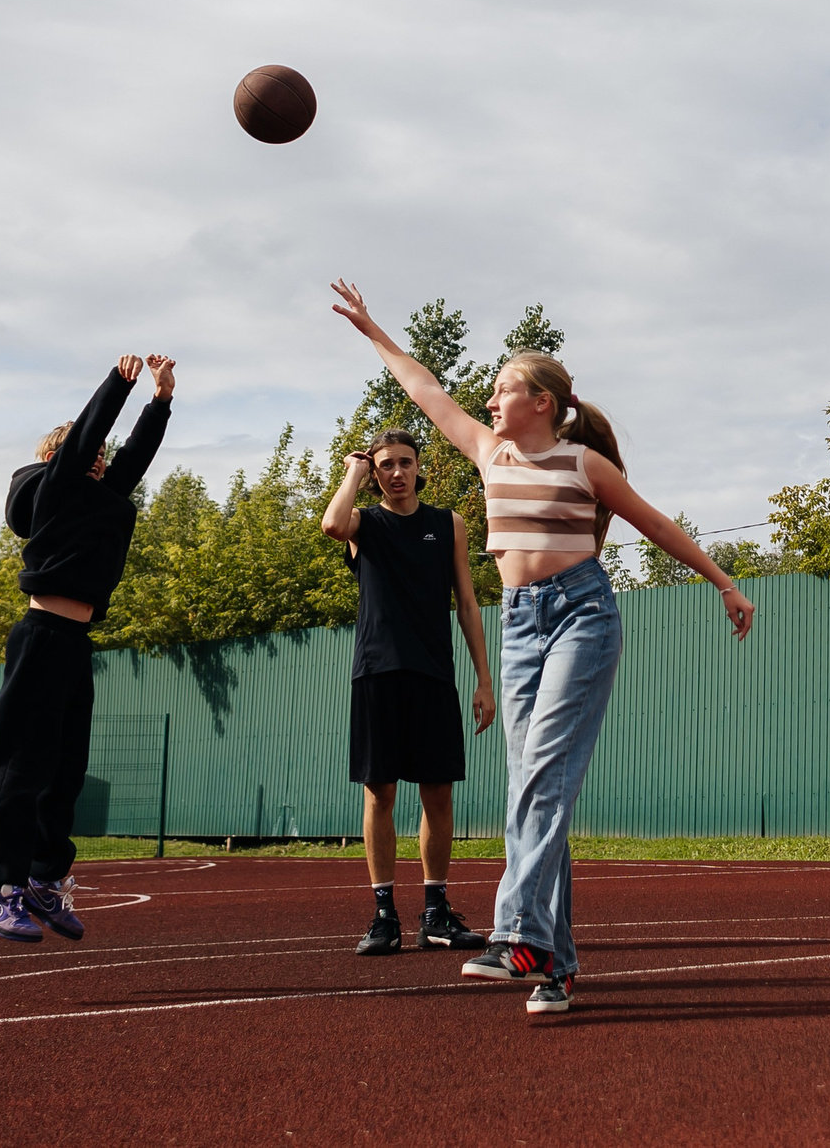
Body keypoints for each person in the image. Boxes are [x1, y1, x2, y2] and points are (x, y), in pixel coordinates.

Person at [330, 281, 756, 1015]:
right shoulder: (489, 452)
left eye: (503, 388)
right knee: (529, 790)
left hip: (582, 616)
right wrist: (373, 330)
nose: (489, 399)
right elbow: (424, 386)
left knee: (542, 783)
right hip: (520, 623)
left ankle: (517, 934)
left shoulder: (584, 465)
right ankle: (555, 965)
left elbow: (655, 524)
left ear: (542, 403)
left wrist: (723, 581)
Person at [0, 353, 174, 943]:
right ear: (58, 460)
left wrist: (160, 402)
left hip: (76, 643)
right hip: (39, 637)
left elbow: (133, 458)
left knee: (65, 770)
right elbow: (84, 441)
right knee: (21, 768)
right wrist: (118, 386)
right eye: (90, 453)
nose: (101, 458)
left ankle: (43, 878)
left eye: (103, 455)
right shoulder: (55, 491)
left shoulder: (99, 499)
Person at [321, 427, 498, 957]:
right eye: (385, 465)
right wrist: (355, 470)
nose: (396, 472)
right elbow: (332, 524)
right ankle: (384, 917)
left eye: (405, 462)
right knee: (380, 793)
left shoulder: (448, 524)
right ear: (374, 473)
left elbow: (467, 603)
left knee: (438, 793)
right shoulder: (363, 523)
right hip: (377, 672)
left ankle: (436, 915)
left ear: (419, 467)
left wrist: (483, 679)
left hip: (434, 674)